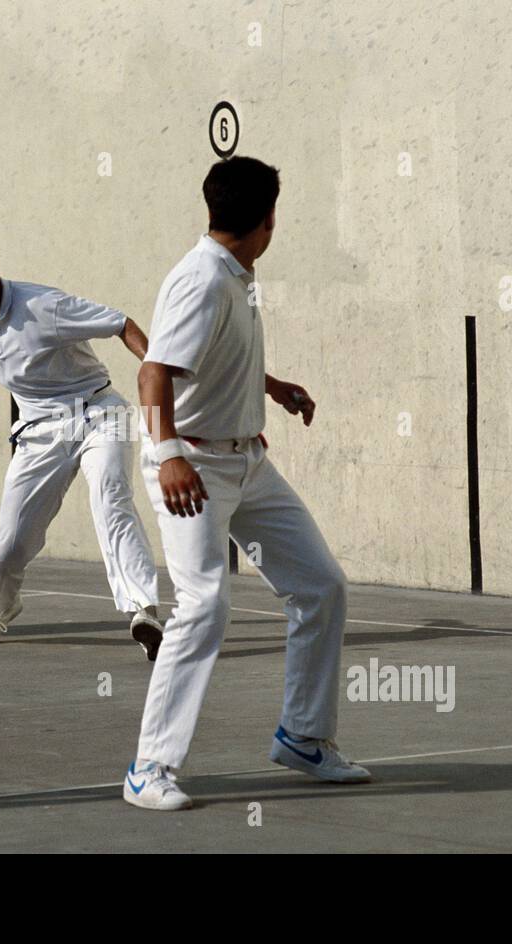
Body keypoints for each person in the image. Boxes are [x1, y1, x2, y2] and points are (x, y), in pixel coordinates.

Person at [123, 157, 371, 811]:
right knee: (204, 605)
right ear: (268, 221)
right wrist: (169, 453)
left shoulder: (236, 276)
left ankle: (303, 736)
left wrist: (271, 388)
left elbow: (214, 356)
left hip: (248, 463)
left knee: (321, 585)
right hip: (194, 469)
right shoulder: (202, 279)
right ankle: (149, 767)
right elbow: (153, 374)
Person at [0, 222, 166, 658]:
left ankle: (143, 609)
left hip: (98, 413)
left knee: (111, 497)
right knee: (11, 543)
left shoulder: (44, 305)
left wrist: (160, 370)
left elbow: (120, 322)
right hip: (38, 432)